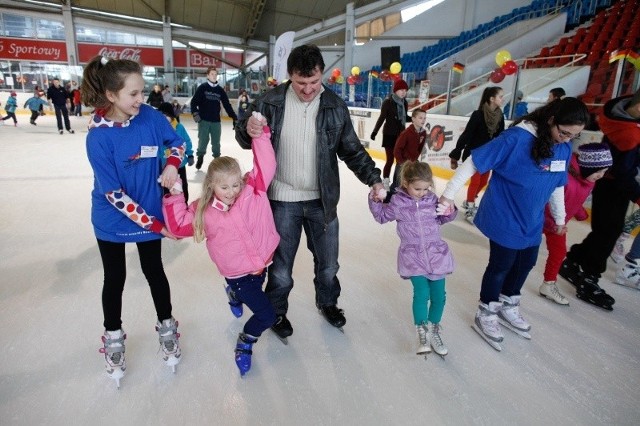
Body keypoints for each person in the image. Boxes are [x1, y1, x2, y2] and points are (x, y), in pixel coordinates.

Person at [235, 44, 384, 340]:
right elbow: (242, 137)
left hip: (321, 200)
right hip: (282, 200)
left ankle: (328, 302)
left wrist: (375, 180)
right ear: (290, 76)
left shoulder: (334, 106)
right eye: (301, 83)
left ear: (322, 75)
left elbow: (352, 151)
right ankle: (276, 310)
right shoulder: (270, 101)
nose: (308, 90)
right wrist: (247, 127)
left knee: (328, 263)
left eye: (314, 82)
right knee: (280, 268)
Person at [440, 98, 589, 349]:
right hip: (504, 213)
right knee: (502, 264)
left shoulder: (562, 148)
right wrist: (448, 194)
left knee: (526, 262)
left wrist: (561, 218)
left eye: (574, 136)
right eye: (564, 132)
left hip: (531, 219)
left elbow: (556, 187)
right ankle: (486, 310)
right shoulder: (517, 138)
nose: (566, 139)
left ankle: (509, 302)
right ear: (551, 120)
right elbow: (474, 162)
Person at [82, 55, 185, 388]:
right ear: (112, 95)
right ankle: (113, 336)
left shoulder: (151, 117)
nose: (141, 99)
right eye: (133, 94)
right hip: (113, 218)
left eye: (142, 92)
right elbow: (114, 194)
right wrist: (155, 225)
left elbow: (179, 143)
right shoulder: (98, 138)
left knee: (154, 270)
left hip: (149, 212)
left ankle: (167, 328)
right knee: (115, 277)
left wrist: (171, 165)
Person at [163, 112, 278, 376]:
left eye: (236, 184)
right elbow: (178, 226)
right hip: (237, 274)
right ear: (212, 185)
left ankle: (233, 295)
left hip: (261, 263)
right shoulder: (205, 211)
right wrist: (175, 195)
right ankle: (245, 342)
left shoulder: (253, 190)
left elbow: (267, 164)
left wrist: (260, 136)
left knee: (257, 293)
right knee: (267, 316)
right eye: (224, 187)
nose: (232, 191)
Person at [561, 89, 640, 309]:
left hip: (609, 181)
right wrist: (637, 194)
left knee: (606, 230)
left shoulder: (619, 116)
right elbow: (624, 171)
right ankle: (590, 277)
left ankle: (575, 259)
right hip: (615, 184)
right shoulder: (630, 132)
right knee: (608, 232)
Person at [368, 161, 457, 357]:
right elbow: (382, 217)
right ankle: (422, 329)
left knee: (439, 296)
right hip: (412, 255)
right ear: (406, 183)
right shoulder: (398, 203)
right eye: (418, 188)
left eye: (426, 188)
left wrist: (449, 210)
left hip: (436, 254)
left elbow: (443, 218)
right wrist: (375, 199)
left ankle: (434, 328)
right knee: (421, 292)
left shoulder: (432, 200)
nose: (422, 192)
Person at [540, 143, 612, 305]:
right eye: (599, 171)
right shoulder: (565, 180)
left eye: (604, 171)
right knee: (522, 252)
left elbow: (575, 199)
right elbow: (548, 204)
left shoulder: (589, 180)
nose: (601, 175)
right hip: (543, 220)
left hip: (558, 224)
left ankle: (548, 284)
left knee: (559, 253)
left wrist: (579, 212)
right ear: (587, 167)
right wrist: (553, 224)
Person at [449, 86, 505, 224]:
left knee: (483, 182)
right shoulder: (478, 115)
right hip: (474, 154)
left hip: (489, 156)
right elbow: (467, 134)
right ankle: (470, 206)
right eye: (500, 97)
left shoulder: (500, 117)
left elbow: (500, 137)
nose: (502, 99)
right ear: (492, 99)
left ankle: (469, 200)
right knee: (475, 181)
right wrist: (457, 152)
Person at [191, 66, 238, 170]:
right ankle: (200, 157)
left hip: (216, 121)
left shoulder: (220, 90)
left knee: (216, 142)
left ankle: (217, 160)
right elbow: (194, 102)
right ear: (208, 75)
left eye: (215, 74)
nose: (214, 76)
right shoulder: (203, 88)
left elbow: (227, 105)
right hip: (204, 120)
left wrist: (234, 117)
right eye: (212, 74)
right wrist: (195, 114)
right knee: (203, 141)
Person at [370, 78, 409, 190]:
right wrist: (374, 131)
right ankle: (386, 181)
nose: (403, 92)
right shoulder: (388, 102)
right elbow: (382, 118)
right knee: (390, 160)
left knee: (400, 161)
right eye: (401, 90)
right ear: (396, 90)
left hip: (401, 136)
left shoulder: (404, 103)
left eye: (405, 90)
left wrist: (416, 119)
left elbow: (404, 118)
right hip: (389, 135)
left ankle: (397, 183)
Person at [158, 102, 194, 202]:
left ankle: (184, 205)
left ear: (172, 117)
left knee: (182, 187)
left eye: (167, 116)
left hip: (180, 165)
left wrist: (190, 154)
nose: (164, 118)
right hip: (163, 166)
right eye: (162, 116)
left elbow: (186, 141)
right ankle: (166, 207)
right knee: (165, 188)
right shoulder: (156, 129)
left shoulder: (179, 127)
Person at [388, 108, 427, 198]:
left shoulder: (423, 133)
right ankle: (388, 201)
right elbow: (397, 149)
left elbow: (419, 148)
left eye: (424, 118)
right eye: (420, 118)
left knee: (409, 184)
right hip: (402, 164)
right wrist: (402, 163)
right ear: (413, 119)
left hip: (413, 163)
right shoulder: (406, 133)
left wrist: (415, 159)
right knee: (397, 184)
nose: (423, 120)